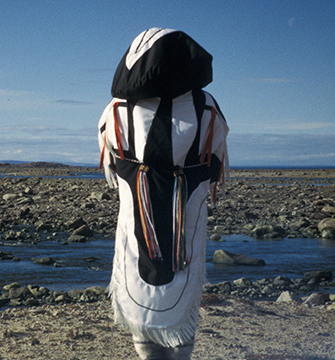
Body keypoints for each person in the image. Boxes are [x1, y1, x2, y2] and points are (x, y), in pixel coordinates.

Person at [98, 28, 229, 360]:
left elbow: (111, 163)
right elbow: (215, 164)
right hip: (188, 217)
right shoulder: (207, 110)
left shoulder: (115, 111)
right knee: (183, 283)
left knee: (138, 280)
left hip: (134, 214)